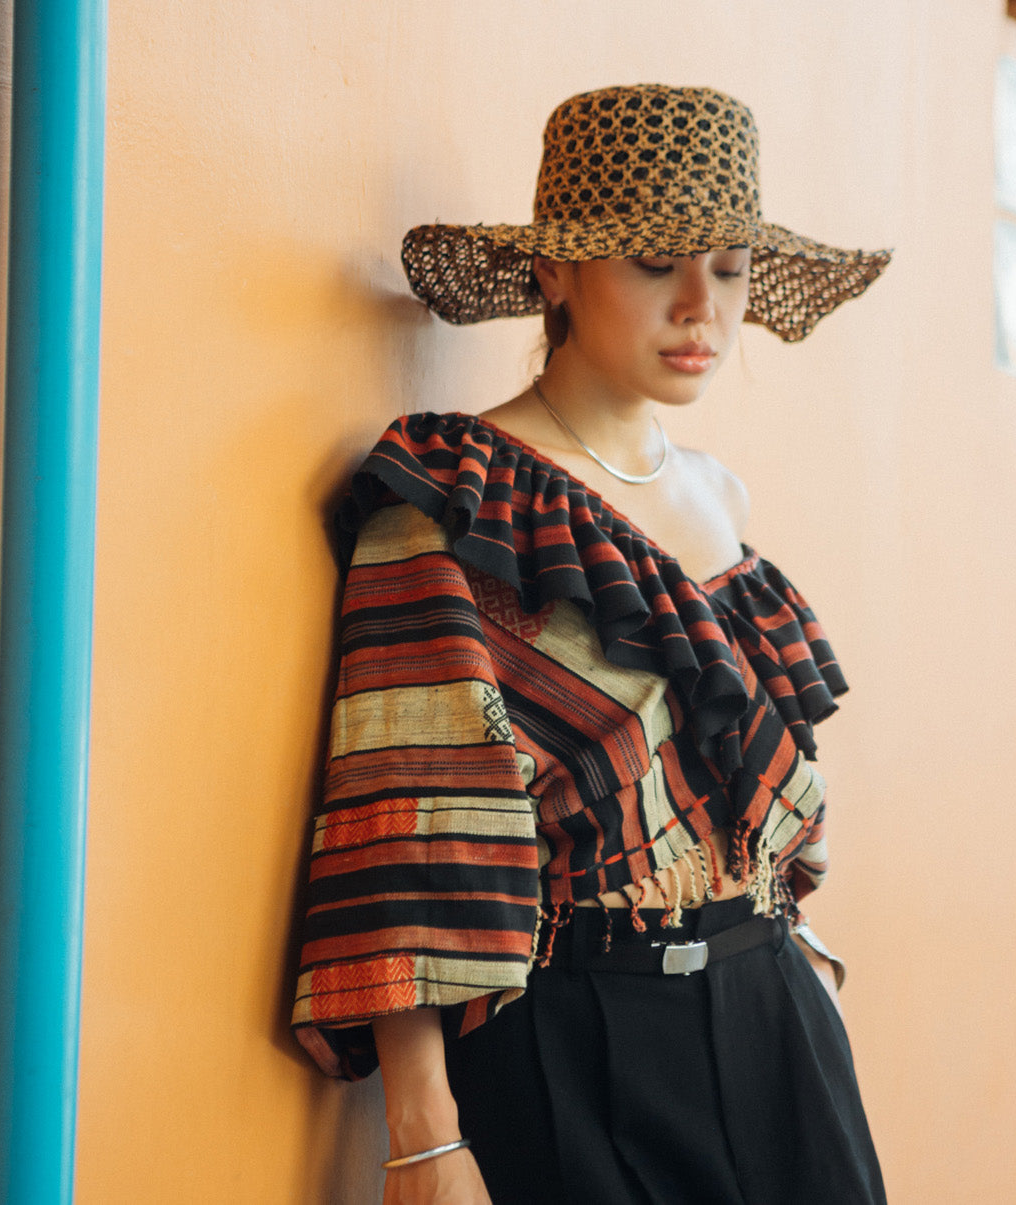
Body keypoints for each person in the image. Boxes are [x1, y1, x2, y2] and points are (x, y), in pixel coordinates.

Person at [292, 84, 892, 1204]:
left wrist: (789, 961)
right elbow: (407, 824)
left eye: (727, 267)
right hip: (575, 1034)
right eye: (656, 263)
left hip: (776, 1021)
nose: (700, 310)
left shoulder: (720, 496)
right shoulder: (450, 503)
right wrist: (423, 1135)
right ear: (557, 272)